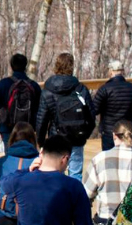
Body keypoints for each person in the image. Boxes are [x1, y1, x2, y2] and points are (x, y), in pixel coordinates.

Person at [35, 52, 98, 180]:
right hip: (76, 138)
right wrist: (83, 135)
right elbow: (91, 116)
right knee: (75, 175)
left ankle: (58, 199)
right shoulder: (80, 89)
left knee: (55, 175)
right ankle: (74, 199)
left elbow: (41, 119)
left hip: (56, 139)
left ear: (56, 66)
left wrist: (41, 142)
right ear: (71, 67)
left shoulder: (48, 90)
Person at [0, 53, 42, 147]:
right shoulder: (34, 86)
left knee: (10, 158)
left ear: (12, 66)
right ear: (25, 66)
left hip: (8, 129)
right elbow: (40, 111)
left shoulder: (3, 84)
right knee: (28, 157)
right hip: (28, 129)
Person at [92, 60, 132, 153]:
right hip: (127, 130)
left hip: (109, 131)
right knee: (127, 157)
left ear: (111, 71)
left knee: (109, 159)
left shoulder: (105, 89)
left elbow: (94, 109)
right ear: (122, 72)